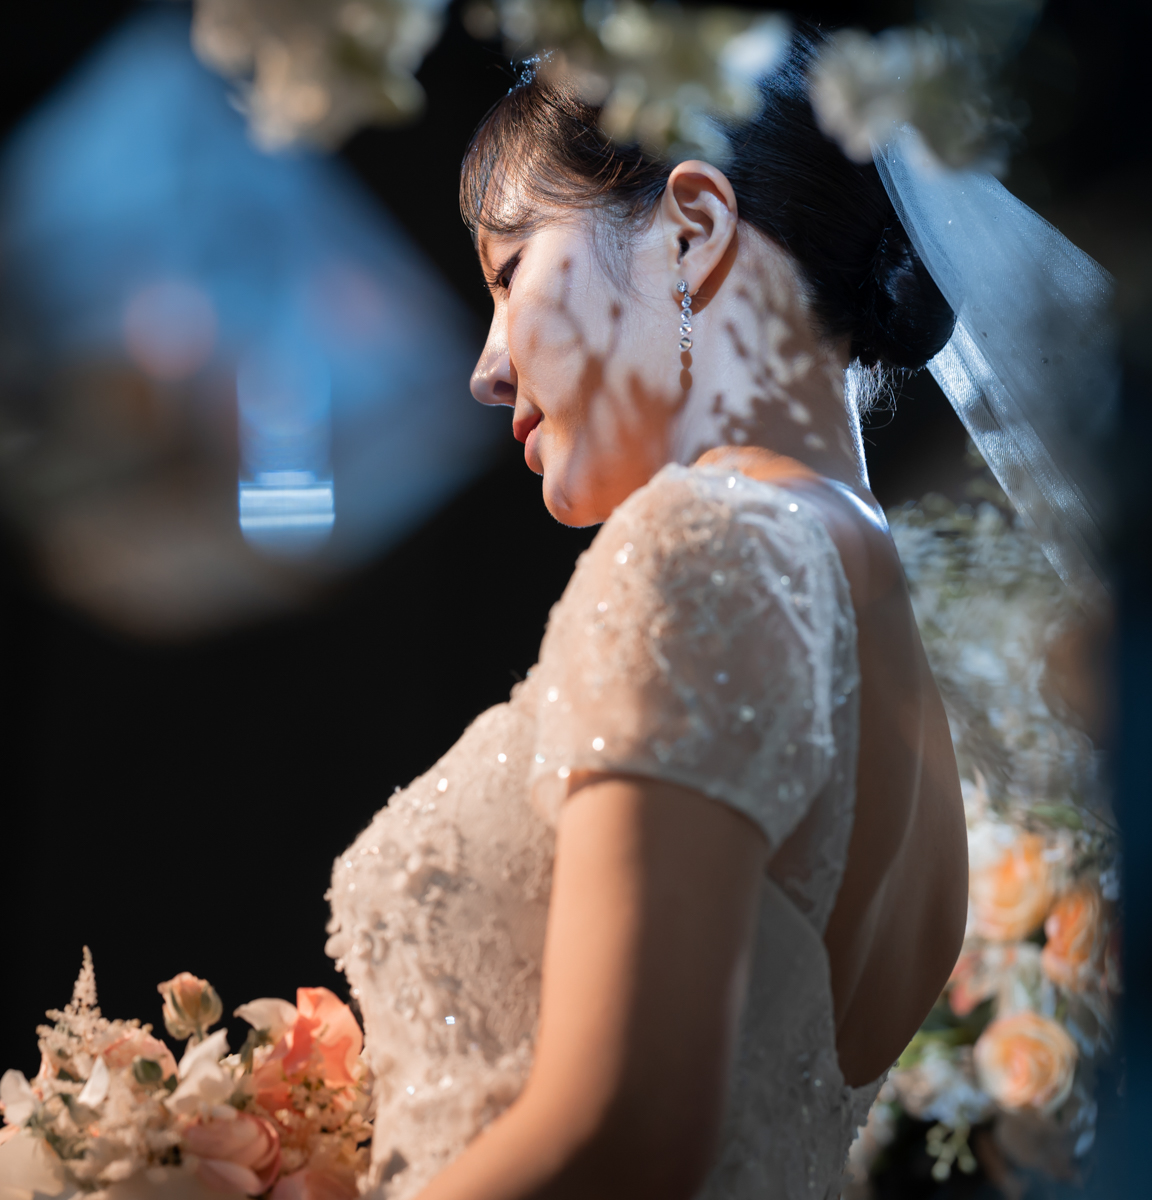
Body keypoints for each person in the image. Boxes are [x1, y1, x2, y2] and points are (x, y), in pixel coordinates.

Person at [324, 37, 970, 1200]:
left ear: (693, 232)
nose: (486, 367)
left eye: (511, 270)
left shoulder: (705, 543)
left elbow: (625, 1130)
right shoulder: (901, 669)